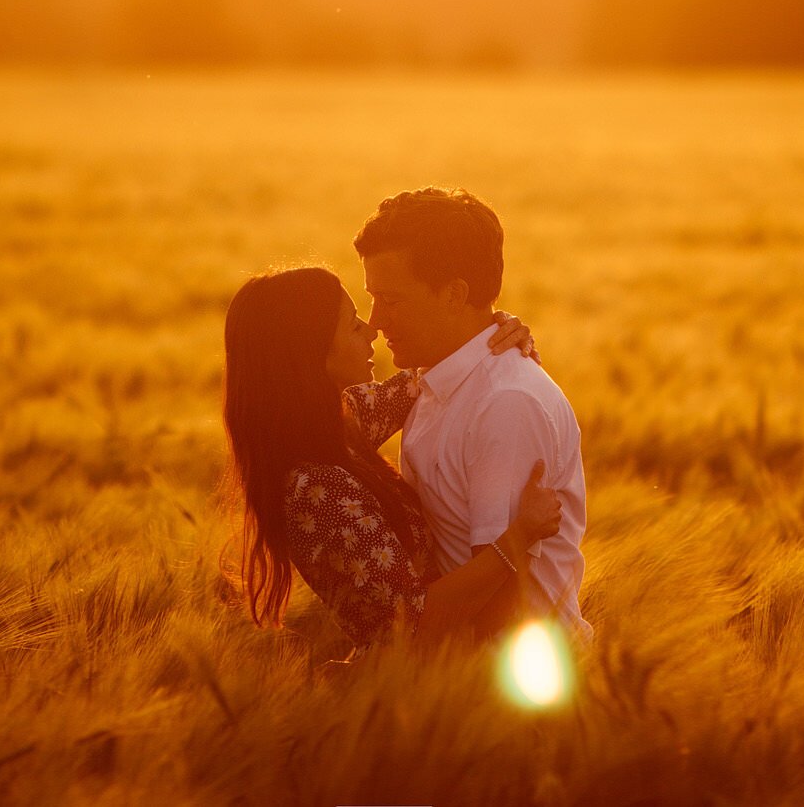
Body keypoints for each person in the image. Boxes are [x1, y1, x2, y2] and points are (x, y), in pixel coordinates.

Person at [222, 264, 560, 652]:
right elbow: (415, 622)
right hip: (410, 687)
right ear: (310, 354)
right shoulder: (316, 489)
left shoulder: (336, 424)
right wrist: (520, 535)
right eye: (352, 326)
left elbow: (426, 379)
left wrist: (492, 331)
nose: (372, 329)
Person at [355, 188, 589, 643]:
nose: (375, 320)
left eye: (392, 300)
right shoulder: (432, 382)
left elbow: (502, 597)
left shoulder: (505, 405)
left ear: (454, 294)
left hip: (513, 685)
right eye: (372, 299)